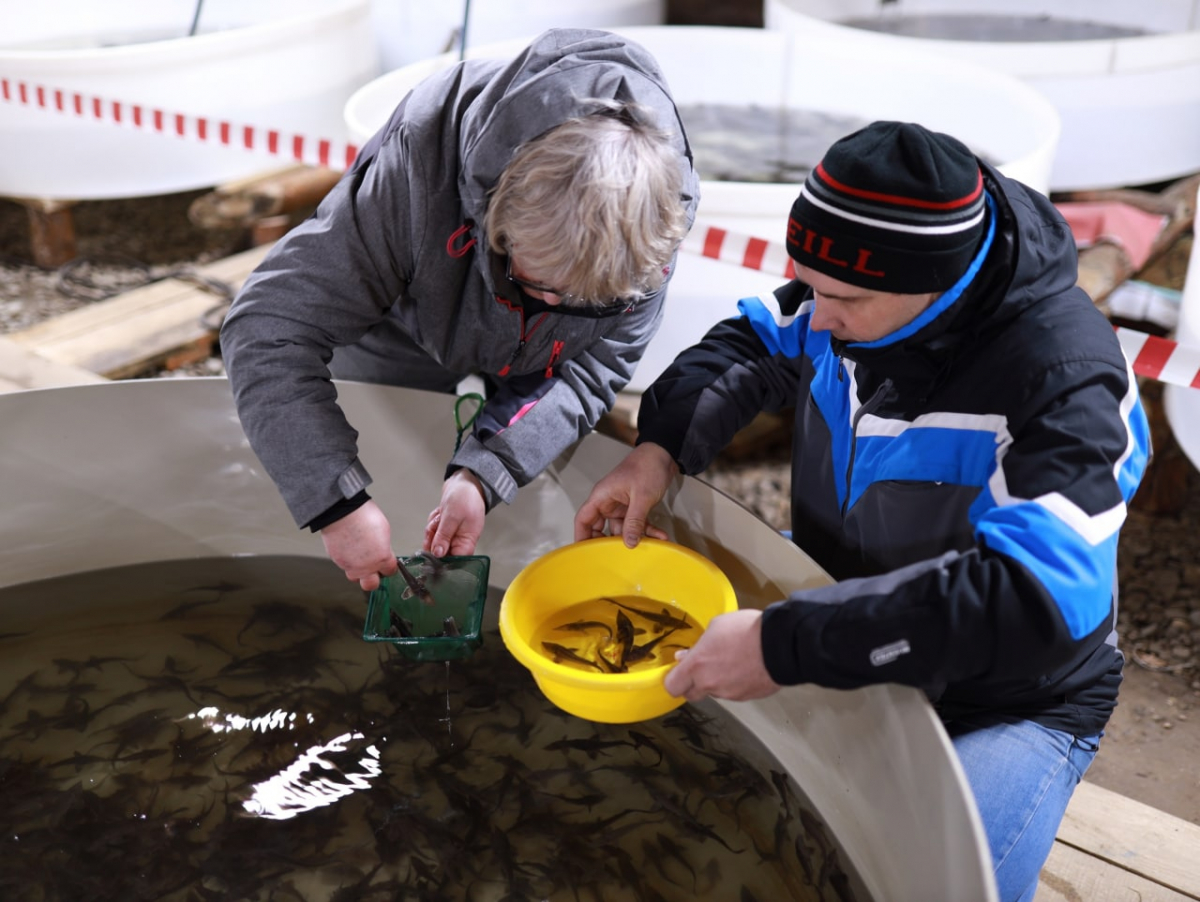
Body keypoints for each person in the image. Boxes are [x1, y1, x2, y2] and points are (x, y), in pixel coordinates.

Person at [574, 120, 1151, 901]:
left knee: (934, 887)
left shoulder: (1069, 380)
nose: (813, 316)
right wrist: (661, 447)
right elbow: (747, 344)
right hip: (846, 613)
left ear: (936, 285)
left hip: (1009, 697)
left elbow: (1035, 600)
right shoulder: (849, 293)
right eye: (806, 285)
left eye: (840, 298)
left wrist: (784, 644)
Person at [220, 28, 699, 591]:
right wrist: (335, 503)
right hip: (398, 321)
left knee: (514, 495)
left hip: (544, 362)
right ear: (495, 211)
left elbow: (592, 370)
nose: (550, 303)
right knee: (371, 474)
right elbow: (268, 327)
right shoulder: (419, 162)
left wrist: (481, 473)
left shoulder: (652, 225)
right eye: (538, 282)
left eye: (580, 300)